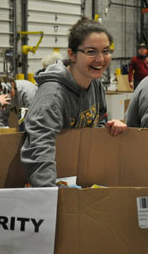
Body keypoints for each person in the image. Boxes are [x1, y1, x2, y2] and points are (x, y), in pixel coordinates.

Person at [21, 17, 127, 187]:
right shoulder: (53, 94)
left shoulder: (95, 85)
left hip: (79, 181)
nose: (101, 59)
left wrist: (109, 129)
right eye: (91, 51)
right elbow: (39, 147)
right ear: (72, 54)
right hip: (50, 185)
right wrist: (49, 196)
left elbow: (99, 122)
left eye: (106, 50)